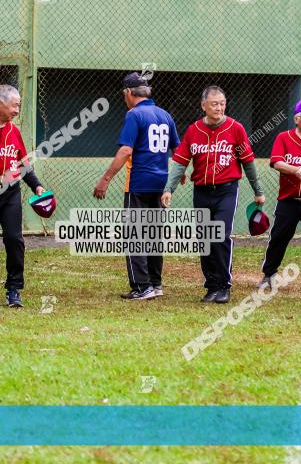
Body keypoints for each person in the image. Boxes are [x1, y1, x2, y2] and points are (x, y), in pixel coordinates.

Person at [161, 86, 265, 304]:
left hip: (227, 190)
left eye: (222, 103)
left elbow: (248, 162)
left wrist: (258, 191)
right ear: (204, 106)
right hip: (202, 191)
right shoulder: (194, 130)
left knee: (220, 234)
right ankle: (211, 285)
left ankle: (224, 285)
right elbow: (181, 162)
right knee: (205, 238)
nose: (219, 108)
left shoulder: (235, 128)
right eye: (214, 104)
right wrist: (169, 189)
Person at [94, 72, 179, 301]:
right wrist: (179, 175)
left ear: (129, 93)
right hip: (161, 185)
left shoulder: (134, 114)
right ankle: (156, 284)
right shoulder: (165, 115)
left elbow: (125, 150)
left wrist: (106, 179)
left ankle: (142, 287)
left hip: (139, 182)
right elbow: (177, 150)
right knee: (153, 235)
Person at [258, 99, 301, 293]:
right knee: (279, 237)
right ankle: (269, 274)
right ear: (297, 118)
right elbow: (276, 162)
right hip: (289, 199)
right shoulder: (284, 137)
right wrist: (294, 170)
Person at [0, 85, 45, 308]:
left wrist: (37, 186)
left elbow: (23, 164)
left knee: (14, 239)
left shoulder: (14, 132)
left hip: (9, 194)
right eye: (14, 105)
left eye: (18, 105)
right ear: (1, 104)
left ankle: (14, 288)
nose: (17, 110)